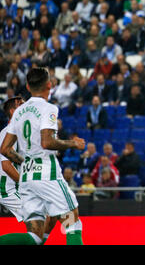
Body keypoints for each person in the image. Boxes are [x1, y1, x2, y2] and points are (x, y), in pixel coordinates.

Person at [0, 67, 86, 245]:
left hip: (27, 178)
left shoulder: (19, 113)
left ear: (28, 86)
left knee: (35, 236)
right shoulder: (49, 108)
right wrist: (73, 143)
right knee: (72, 223)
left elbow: (5, 149)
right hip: (47, 173)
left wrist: (25, 163)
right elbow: (47, 142)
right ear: (49, 84)